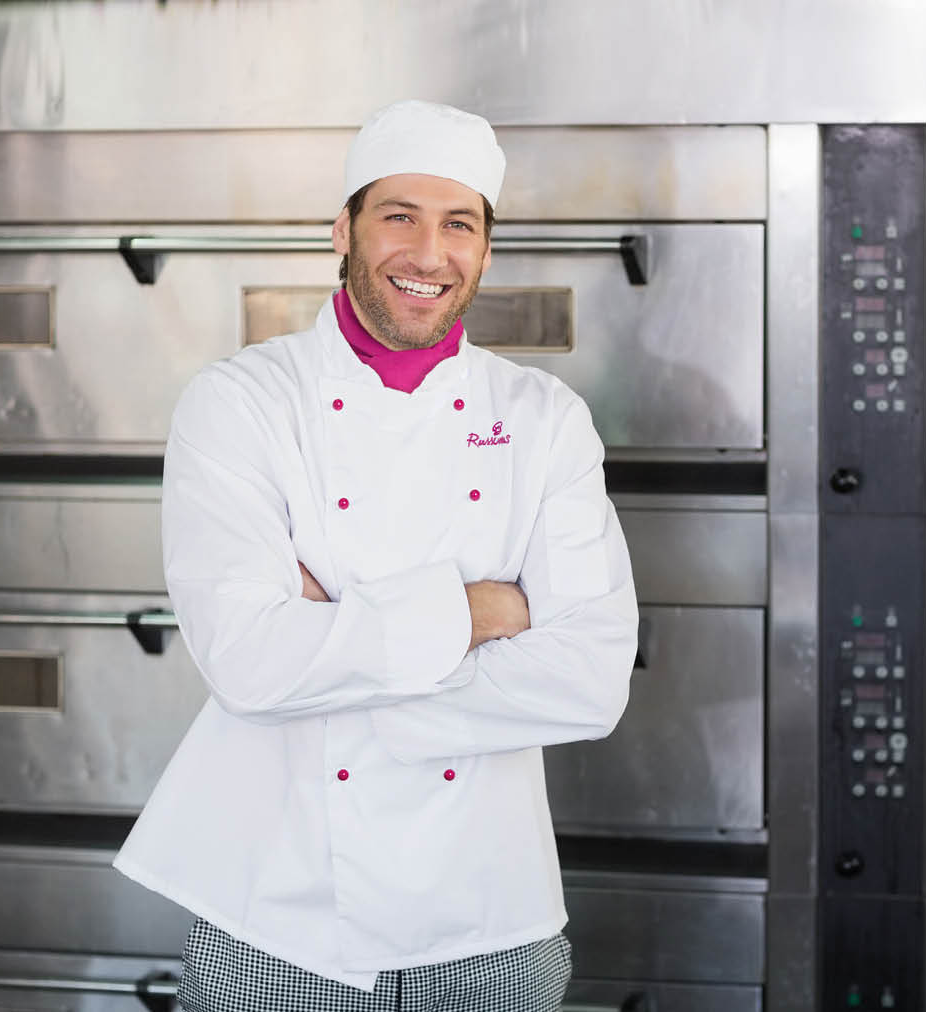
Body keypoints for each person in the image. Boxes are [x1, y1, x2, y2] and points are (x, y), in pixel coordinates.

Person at [113, 100, 639, 1012]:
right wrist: (485, 612)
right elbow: (247, 664)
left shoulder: (543, 421)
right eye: (399, 216)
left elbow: (591, 681)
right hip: (276, 922)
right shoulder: (241, 405)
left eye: (459, 224)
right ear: (342, 230)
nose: (428, 254)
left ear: (484, 248)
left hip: (492, 924)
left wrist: (334, 661)